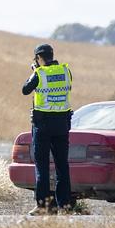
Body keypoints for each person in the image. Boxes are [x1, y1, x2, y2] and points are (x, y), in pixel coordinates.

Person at [22, 43, 73, 215]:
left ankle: (43, 206)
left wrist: (34, 70)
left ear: (38, 58)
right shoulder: (66, 72)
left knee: (42, 167)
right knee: (62, 167)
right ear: (52, 55)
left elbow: (25, 90)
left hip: (43, 126)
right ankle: (64, 206)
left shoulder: (39, 73)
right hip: (62, 125)